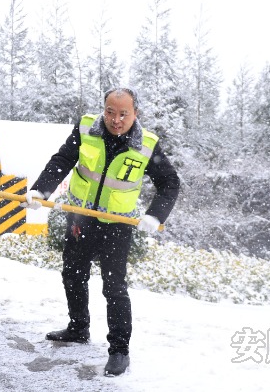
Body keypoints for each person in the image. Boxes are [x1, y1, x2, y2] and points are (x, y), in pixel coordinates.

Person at [23, 87, 180, 377]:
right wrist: (40, 190)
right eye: (110, 112)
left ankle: (119, 350)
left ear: (135, 113)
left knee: (114, 287)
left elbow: (170, 182)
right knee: (73, 274)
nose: (115, 120)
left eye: (123, 114)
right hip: (80, 218)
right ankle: (78, 328)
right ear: (103, 109)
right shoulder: (86, 129)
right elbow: (62, 160)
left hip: (117, 225)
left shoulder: (146, 145)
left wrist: (155, 215)